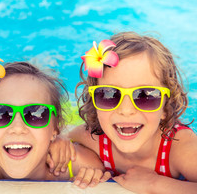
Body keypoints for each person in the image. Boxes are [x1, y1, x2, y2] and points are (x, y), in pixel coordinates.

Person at [51, 32, 197, 193]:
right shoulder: (93, 138)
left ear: (165, 106)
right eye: (109, 95)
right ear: (94, 103)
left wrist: (155, 184)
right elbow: (63, 139)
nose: (126, 110)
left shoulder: (179, 146)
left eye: (145, 96)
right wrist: (60, 142)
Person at [0, 57, 111, 188]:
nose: (17, 128)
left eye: (35, 114)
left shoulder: (82, 165)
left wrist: (93, 176)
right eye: (0, 114)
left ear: (55, 129)